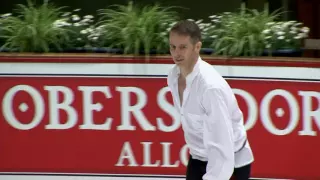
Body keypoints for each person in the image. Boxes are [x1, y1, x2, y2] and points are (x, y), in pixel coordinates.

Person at [166, 20, 254, 180]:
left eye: (183, 47)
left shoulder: (210, 88)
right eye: (173, 47)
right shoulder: (173, 77)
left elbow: (222, 146)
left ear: (197, 47)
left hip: (230, 163)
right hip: (198, 157)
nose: (176, 53)